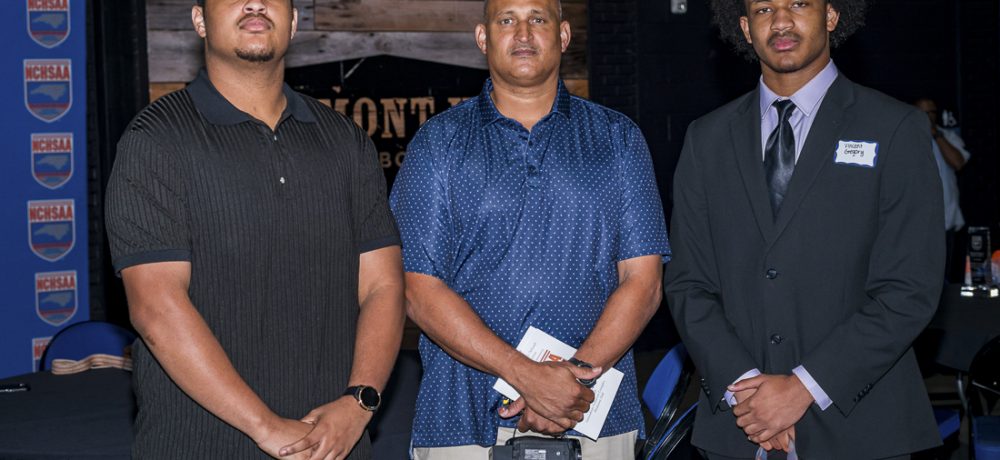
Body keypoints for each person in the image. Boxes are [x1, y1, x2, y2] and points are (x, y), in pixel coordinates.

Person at [104, 0, 404, 458]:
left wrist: (358, 404)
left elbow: (384, 286)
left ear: (294, 21)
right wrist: (266, 427)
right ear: (199, 20)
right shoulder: (155, 140)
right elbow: (156, 309)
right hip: (202, 447)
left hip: (336, 444)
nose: (256, 2)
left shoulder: (345, 140)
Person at [389, 0, 670, 458]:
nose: (523, 33)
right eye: (507, 20)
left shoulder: (617, 138)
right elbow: (417, 288)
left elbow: (644, 281)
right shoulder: (438, 143)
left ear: (563, 35)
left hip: (593, 417)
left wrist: (570, 384)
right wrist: (529, 377)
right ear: (483, 38)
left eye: (537, 19)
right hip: (462, 423)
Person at [665, 0, 944, 458]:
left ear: (830, 17)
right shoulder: (706, 138)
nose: (781, 21)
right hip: (740, 427)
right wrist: (749, 395)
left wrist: (803, 388)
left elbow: (909, 288)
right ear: (745, 28)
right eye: (764, 9)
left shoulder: (894, 127)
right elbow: (688, 284)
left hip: (860, 427)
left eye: (798, 3)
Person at [915, 98, 971, 282]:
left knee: (943, 275)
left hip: (945, 218)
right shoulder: (906, 136)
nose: (927, 117)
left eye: (931, 112)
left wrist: (936, 135)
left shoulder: (948, 136)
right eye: (922, 112)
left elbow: (958, 162)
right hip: (915, 220)